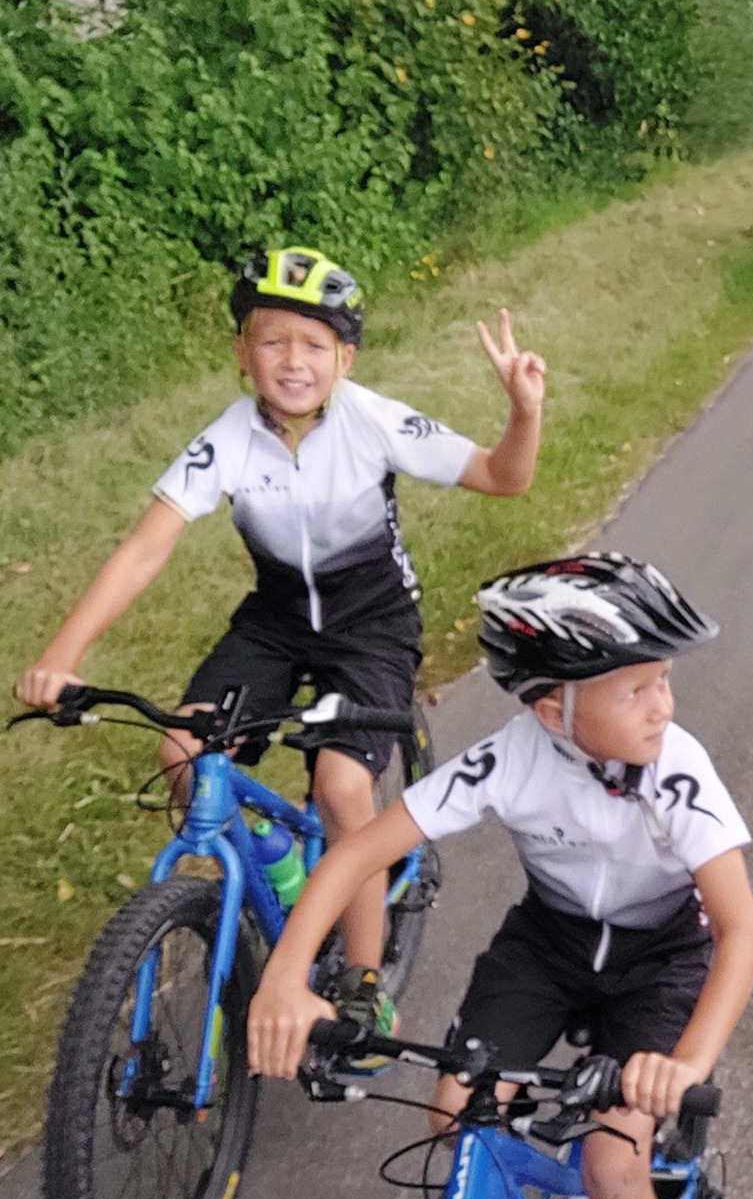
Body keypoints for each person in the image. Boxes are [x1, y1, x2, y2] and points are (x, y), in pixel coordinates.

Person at [15, 246, 545, 1008]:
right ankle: (282, 863)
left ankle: (364, 983)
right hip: (275, 619)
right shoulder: (228, 436)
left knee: (340, 785)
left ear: (346, 358)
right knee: (180, 751)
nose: (293, 361)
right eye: (272, 341)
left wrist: (523, 411)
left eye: (314, 345)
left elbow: (506, 477)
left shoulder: (373, 421)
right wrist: (61, 655)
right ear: (241, 353)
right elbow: (145, 548)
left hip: (370, 623)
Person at [246, 554, 753, 1199]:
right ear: (553, 710)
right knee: (452, 1116)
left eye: (663, 681)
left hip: (662, 958)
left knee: (613, 1168)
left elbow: (740, 933)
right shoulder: (510, 759)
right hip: (549, 942)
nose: (663, 708)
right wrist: (284, 979)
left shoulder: (677, 768)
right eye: (635, 690)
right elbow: (355, 855)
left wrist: (685, 1066)